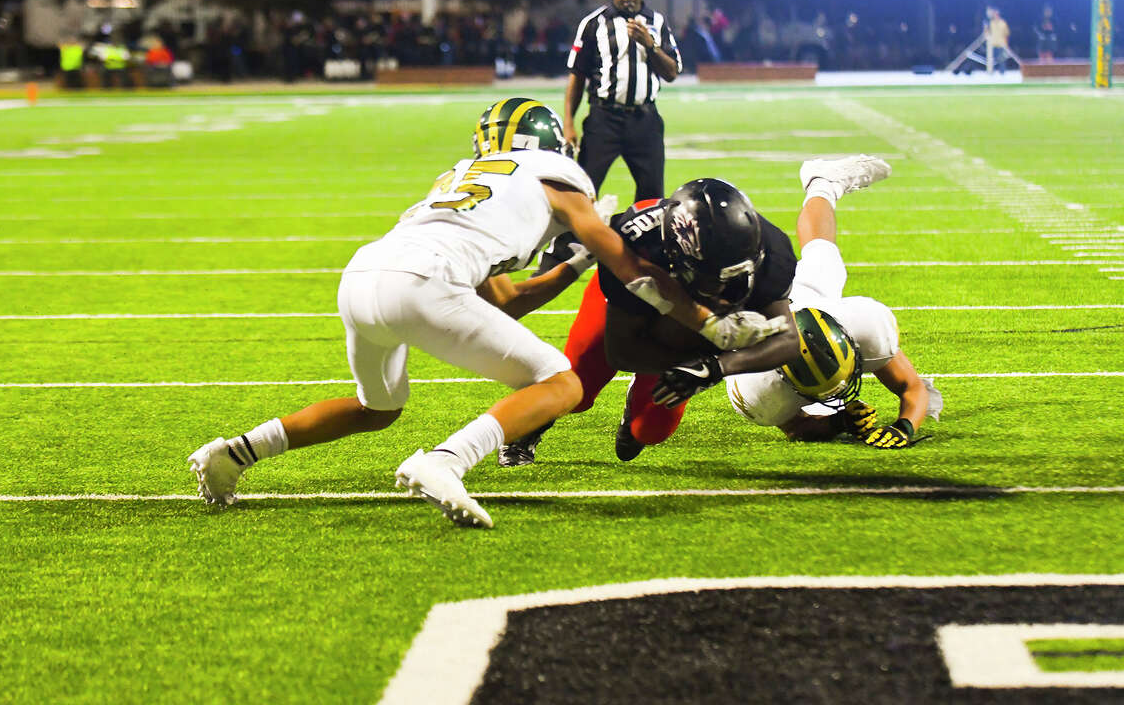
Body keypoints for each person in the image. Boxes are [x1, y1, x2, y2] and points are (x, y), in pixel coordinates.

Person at [188, 98, 789, 528]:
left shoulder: (457, 178)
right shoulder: (559, 178)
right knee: (563, 383)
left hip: (364, 275)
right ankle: (445, 461)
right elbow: (634, 269)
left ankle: (235, 452)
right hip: (424, 279)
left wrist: (573, 265)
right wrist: (707, 323)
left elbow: (504, 300)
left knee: (377, 408)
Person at [501, 169, 821, 467]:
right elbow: (621, 351)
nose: (723, 289)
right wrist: (685, 364)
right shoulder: (635, 244)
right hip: (639, 301)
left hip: (694, 331)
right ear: (676, 254)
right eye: (712, 277)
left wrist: (715, 367)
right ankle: (531, 425)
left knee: (650, 430)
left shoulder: (773, 253)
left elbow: (788, 341)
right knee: (578, 387)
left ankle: (635, 410)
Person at [718, 156, 943, 446]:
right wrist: (838, 422)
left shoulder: (862, 326)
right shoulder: (758, 385)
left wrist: (904, 427)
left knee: (822, 254)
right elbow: (796, 429)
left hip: (807, 298)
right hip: (742, 318)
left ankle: (823, 183)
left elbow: (912, 388)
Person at [565, 0, 681, 204]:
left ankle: (642, 232)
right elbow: (577, 74)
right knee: (583, 190)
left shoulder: (657, 22)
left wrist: (650, 45)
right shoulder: (593, 24)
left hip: (644, 120)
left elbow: (672, 72)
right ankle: (579, 231)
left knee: (652, 198)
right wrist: (568, 123)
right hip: (603, 119)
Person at [984, 7, 1011, 73]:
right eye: (994, 14)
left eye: (997, 14)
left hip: (1002, 44)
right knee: (993, 60)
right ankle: (992, 72)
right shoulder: (991, 23)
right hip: (993, 44)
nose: (995, 15)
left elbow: (1006, 34)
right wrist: (986, 28)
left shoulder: (1003, 23)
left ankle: (1002, 72)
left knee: (1002, 59)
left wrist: (1006, 44)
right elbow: (987, 32)